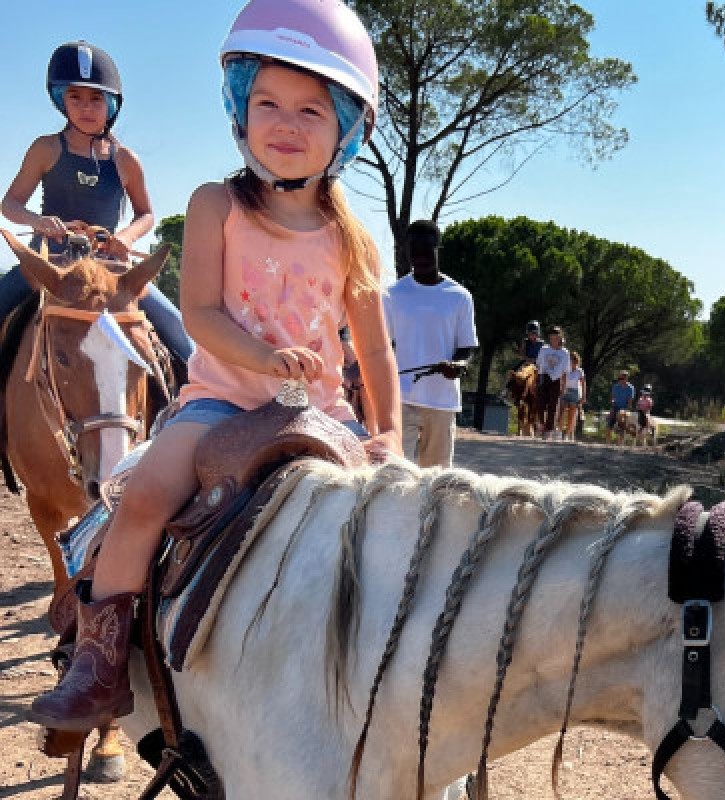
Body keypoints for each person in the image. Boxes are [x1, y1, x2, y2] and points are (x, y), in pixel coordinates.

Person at [28, 0, 402, 733]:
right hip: (220, 405)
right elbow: (198, 313)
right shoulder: (213, 204)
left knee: (394, 523)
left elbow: (375, 346)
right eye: (268, 102)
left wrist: (387, 431)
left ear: (346, 130)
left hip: (321, 418)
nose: (286, 124)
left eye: (310, 111)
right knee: (142, 498)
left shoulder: (351, 234)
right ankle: (100, 667)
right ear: (240, 108)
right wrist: (263, 358)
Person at [0, 41, 193, 363]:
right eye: (76, 97)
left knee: (175, 326)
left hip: (109, 261)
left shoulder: (125, 159)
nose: (86, 107)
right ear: (62, 100)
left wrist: (126, 237)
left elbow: (145, 213)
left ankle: (193, 400)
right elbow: (10, 204)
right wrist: (38, 222)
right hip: (49, 262)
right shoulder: (46, 148)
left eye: (96, 98)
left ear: (112, 104)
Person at [383, 219, 477, 467]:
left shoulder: (460, 297)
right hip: (400, 399)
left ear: (438, 248)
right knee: (394, 474)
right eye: (414, 252)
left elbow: (467, 347)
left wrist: (458, 364)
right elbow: (382, 347)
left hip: (442, 403)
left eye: (426, 251)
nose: (420, 257)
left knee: (436, 481)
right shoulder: (392, 294)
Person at [535, 325, 569, 439]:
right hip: (543, 377)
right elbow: (538, 364)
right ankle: (541, 423)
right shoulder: (544, 349)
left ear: (560, 338)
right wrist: (538, 378)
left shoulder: (564, 352)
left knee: (553, 405)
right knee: (540, 403)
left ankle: (549, 429)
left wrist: (564, 385)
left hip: (556, 380)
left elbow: (565, 370)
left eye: (556, 337)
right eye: (552, 337)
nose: (554, 340)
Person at [559, 351, 586, 442]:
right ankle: (559, 430)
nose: (571, 362)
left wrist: (583, 397)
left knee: (572, 414)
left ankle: (567, 433)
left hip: (575, 392)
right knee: (561, 411)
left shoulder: (580, 371)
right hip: (566, 391)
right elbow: (562, 382)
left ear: (576, 361)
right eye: (570, 360)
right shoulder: (565, 370)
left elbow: (583, 384)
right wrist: (562, 393)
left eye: (572, 360)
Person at [605, 369, 636, 445]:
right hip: (615, 406)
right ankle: (608, 443)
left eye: (621, 379)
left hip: (625, 408)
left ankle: (620, 442)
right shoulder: (615, 386)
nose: (620, 380)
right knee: (609, 422)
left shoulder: (630, 388)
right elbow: (612, 398)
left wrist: (626, 410)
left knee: (621, 419)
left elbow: (629, 402)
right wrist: (612, 403)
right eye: (619, 378)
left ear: (626, 379)